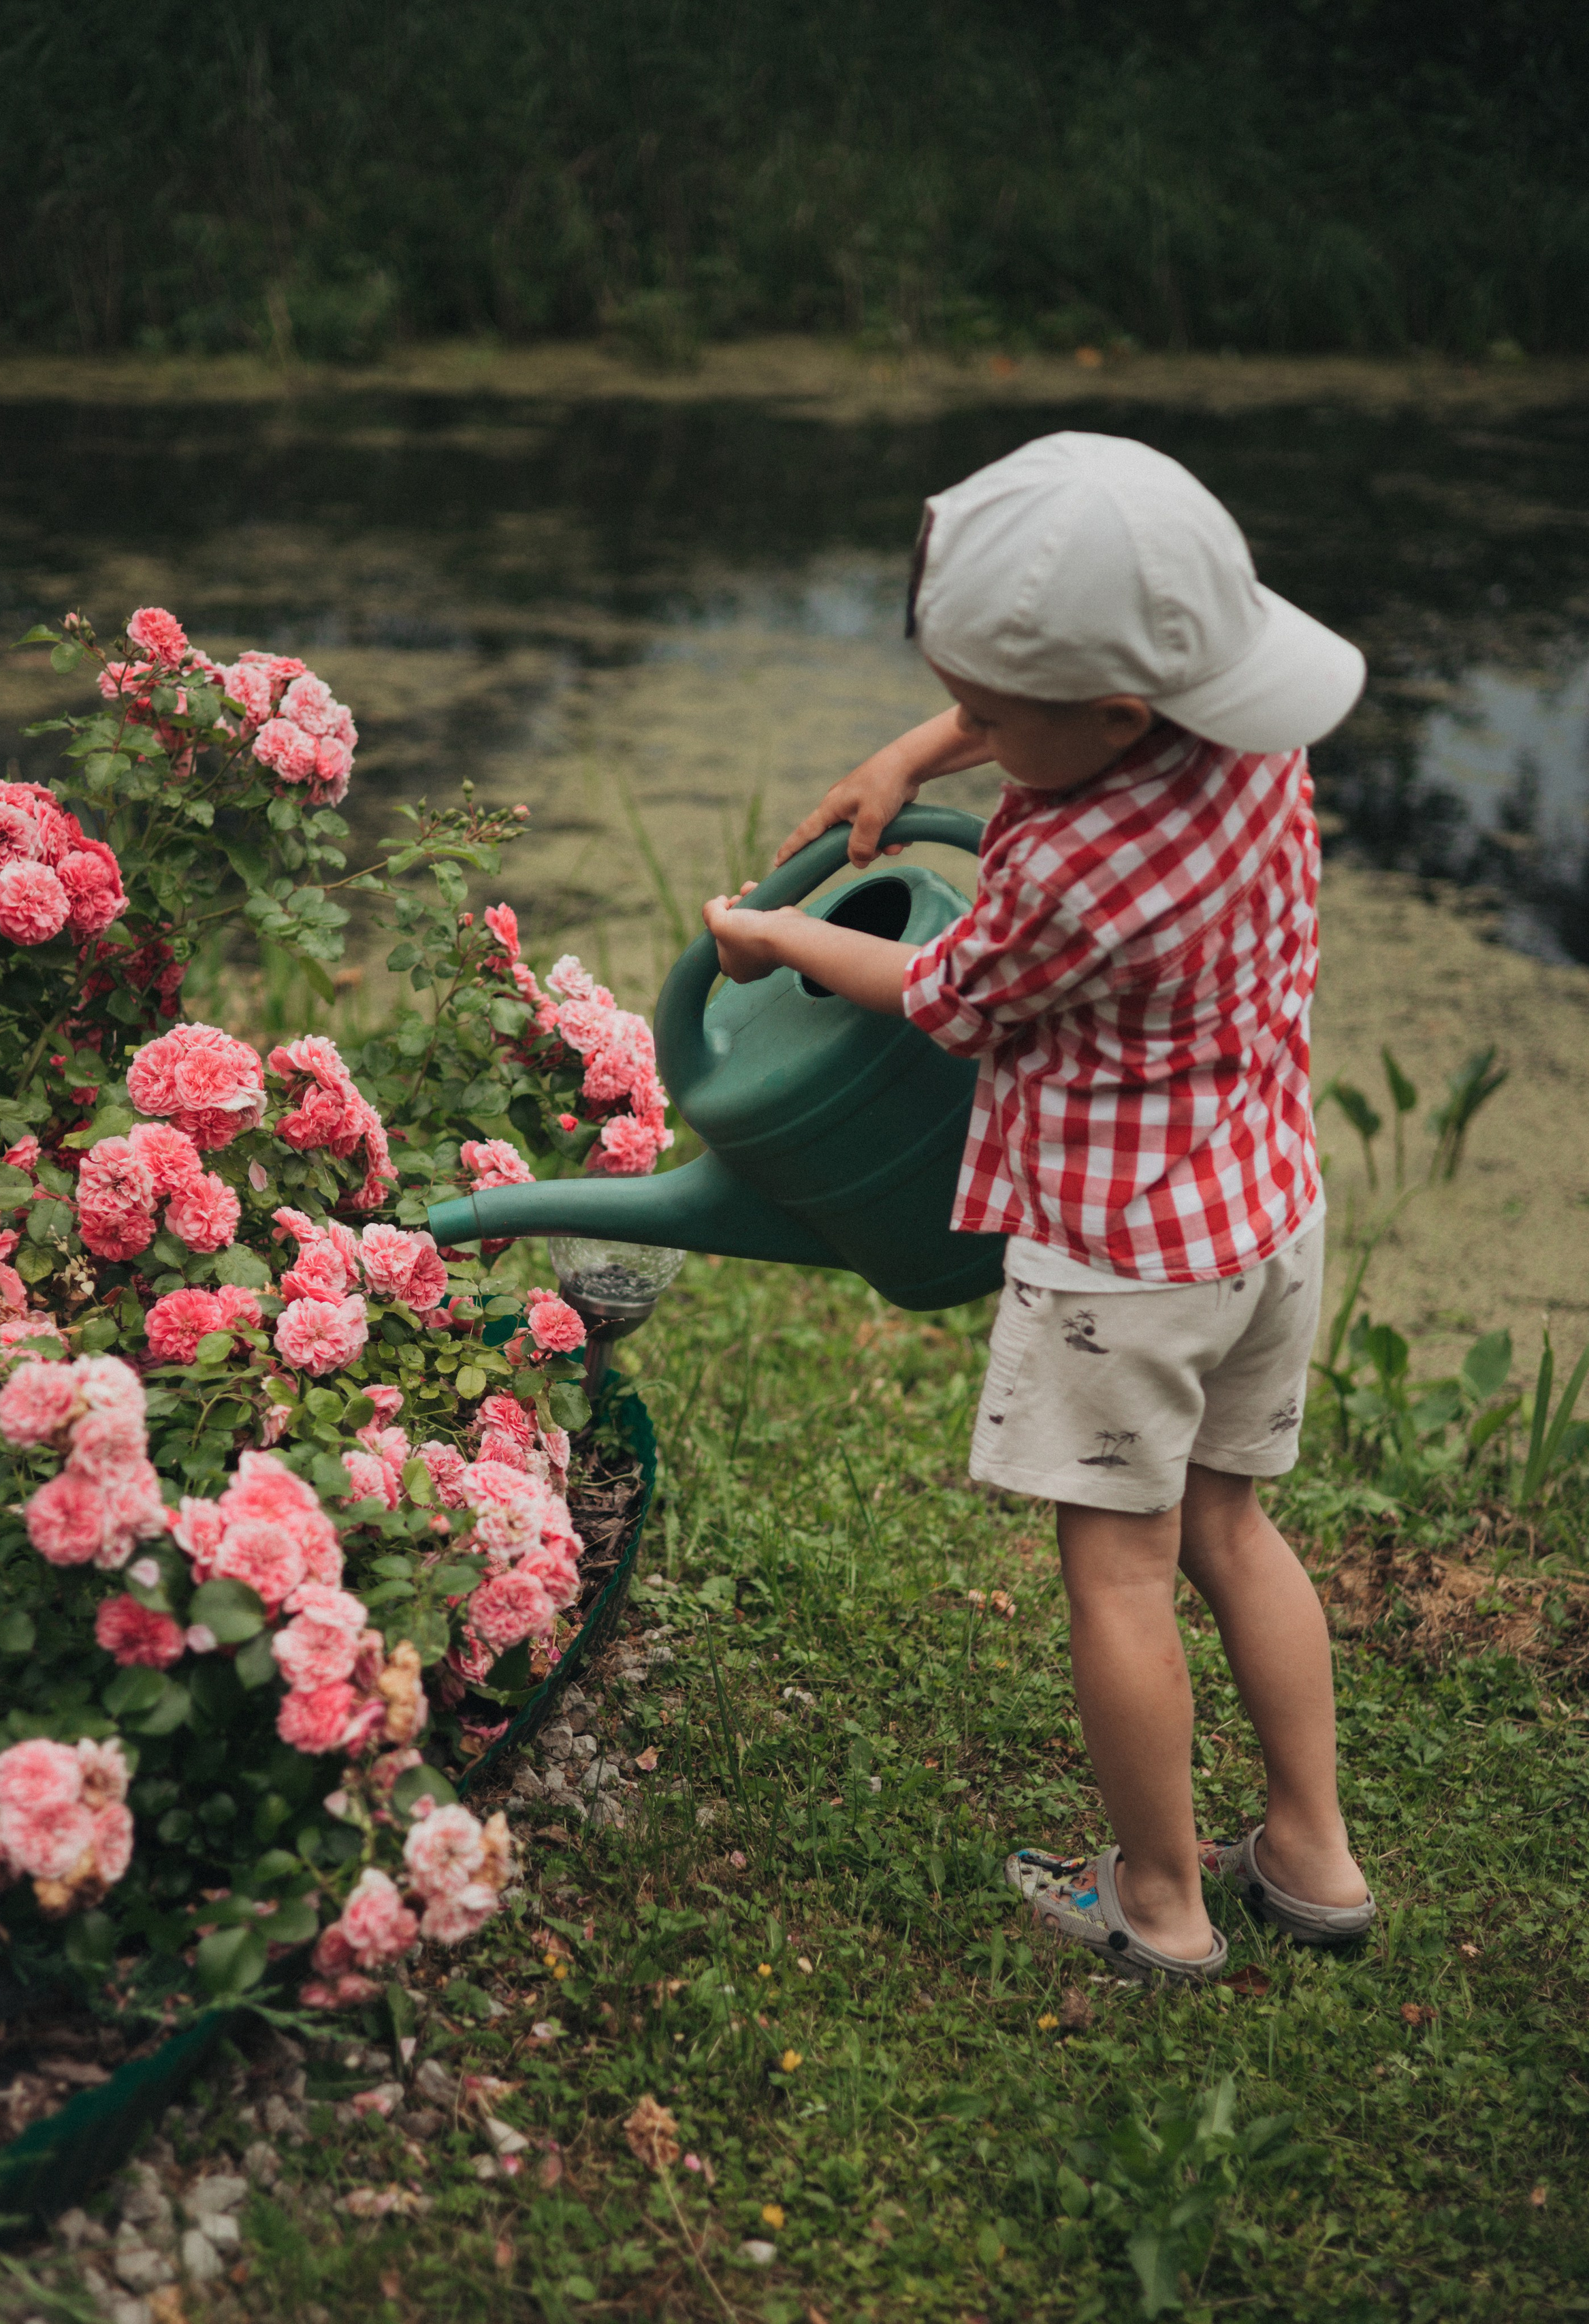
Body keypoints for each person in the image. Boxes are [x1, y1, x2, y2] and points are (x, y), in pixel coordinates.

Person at [701, 432, 1376, 1981]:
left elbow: (941, 993)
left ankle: (1155, 1900)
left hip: (1124, 1262)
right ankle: (1311, 1857)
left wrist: (779, 939)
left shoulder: (1073, 870)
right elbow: (1063, 707)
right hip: (1262, 1212)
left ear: (1110, 716)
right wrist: (915, 755)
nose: (973, 733)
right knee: (1230, 1522)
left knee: (1121, 1570)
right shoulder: (1250, 750)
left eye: (990, 719)